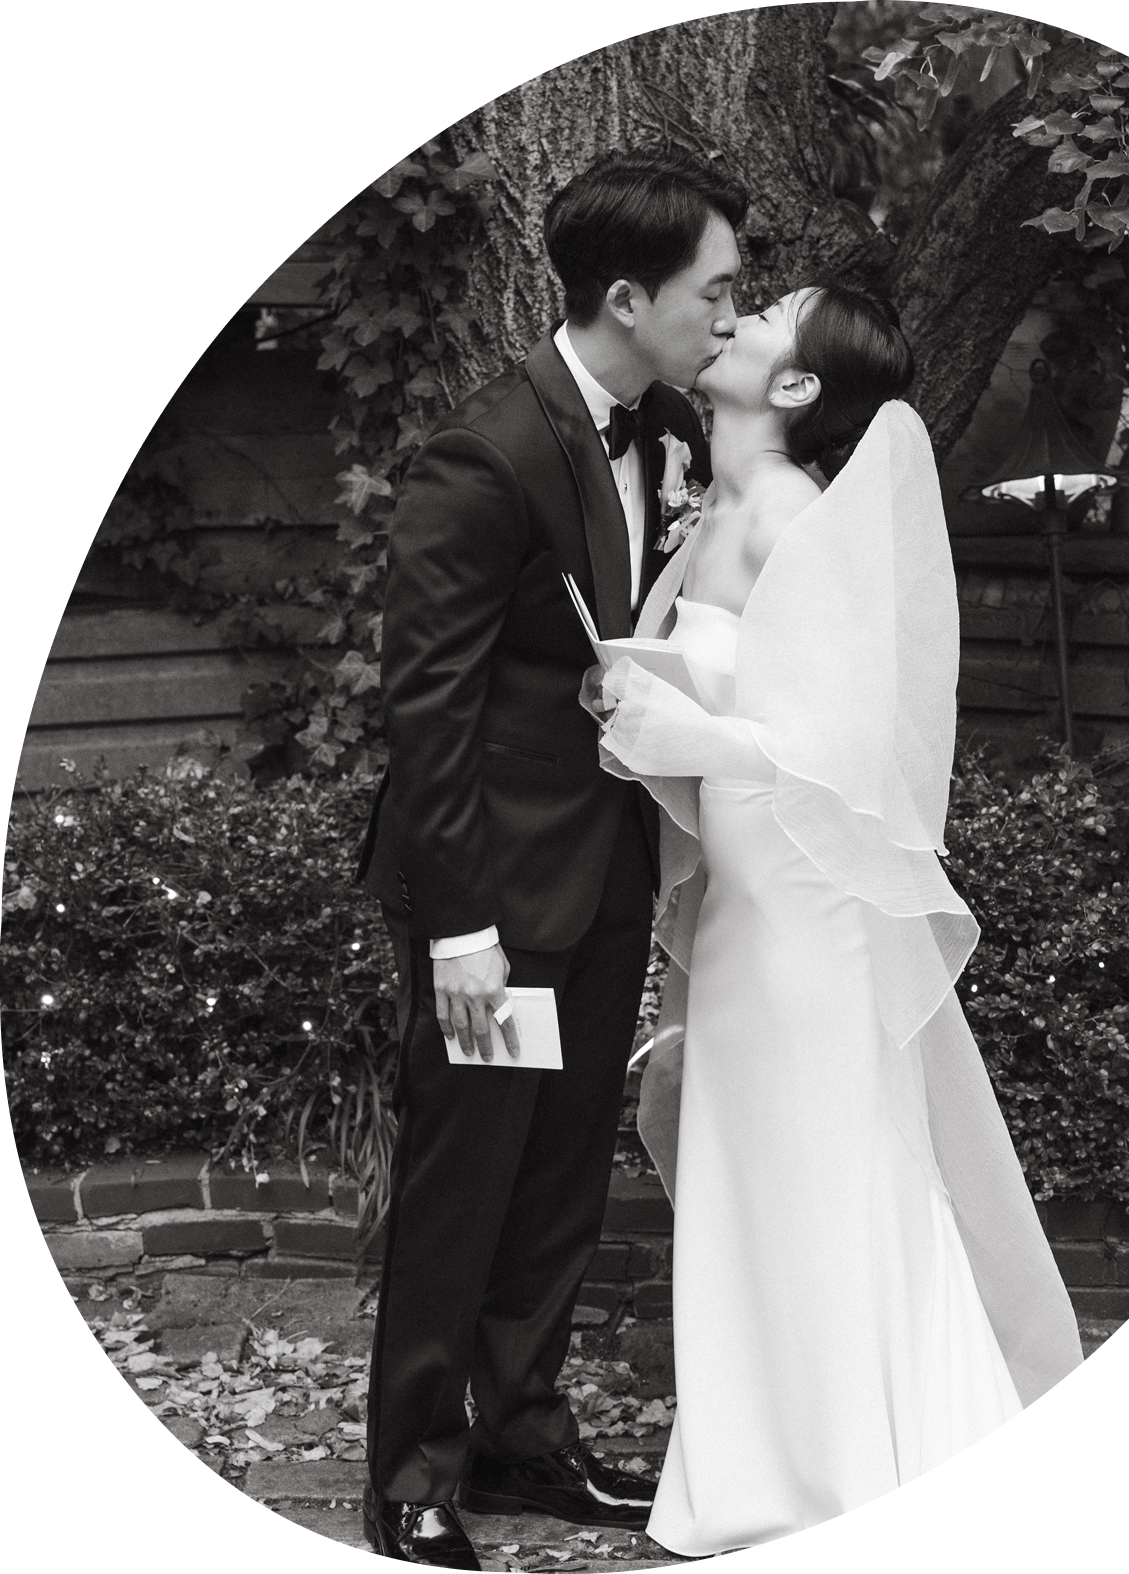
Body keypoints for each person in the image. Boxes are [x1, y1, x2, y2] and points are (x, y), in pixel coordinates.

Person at [587, 283, 1086, 1554]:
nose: (740, 316)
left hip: (805, 899)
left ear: (797, 385)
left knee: (819, 1151)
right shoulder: (719, 503)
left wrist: (686, 733)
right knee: (749, 1157)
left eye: (766, 317)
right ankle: (759, 1455)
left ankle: (863, 1463)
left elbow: (845, 749)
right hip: (745, 891)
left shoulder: (802, 517)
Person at [354, 147, 746, 1570]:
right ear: (627, 296)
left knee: (564, 1164)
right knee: (468, 1178)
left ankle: (524, 1431)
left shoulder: (657, 430)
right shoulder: (489, 448)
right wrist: (457, 928)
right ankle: (408, 1475)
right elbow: (428, 709)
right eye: (714, 290)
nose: (727, 314)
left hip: (601, 880)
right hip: (494, 909)